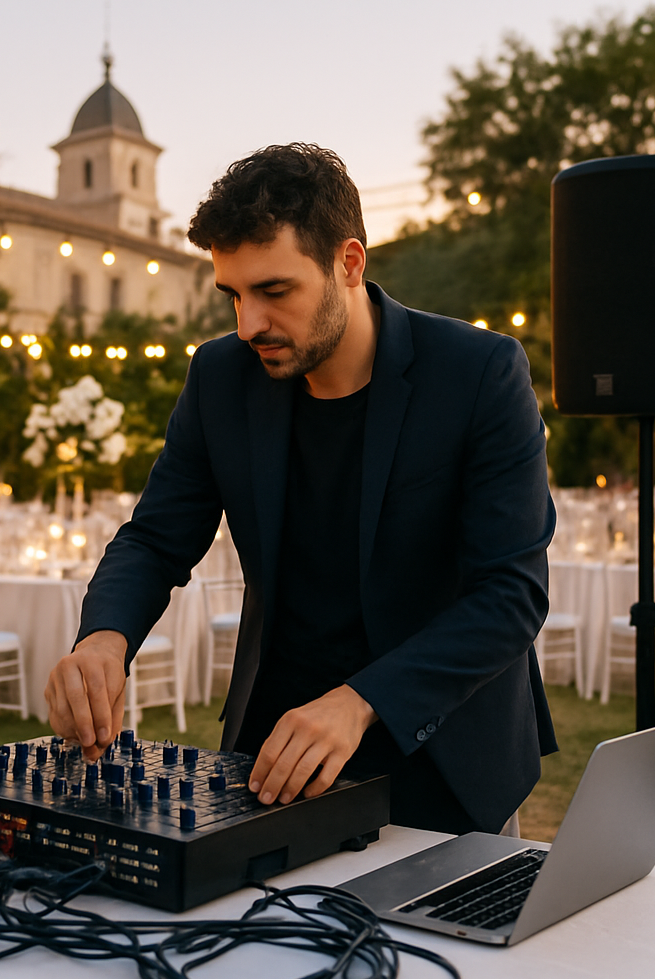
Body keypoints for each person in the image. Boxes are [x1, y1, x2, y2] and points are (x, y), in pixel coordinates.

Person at [45, 143, 557, 835]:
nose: (247, 324)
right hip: (273, 756)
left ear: (349, 263)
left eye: (274, 291)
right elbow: (157, 537)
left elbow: (511, 594)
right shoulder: (219, 377)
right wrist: (104, 640)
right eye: (234, 294)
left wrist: (360, 700)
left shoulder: (479, 373)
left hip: (446, 757)